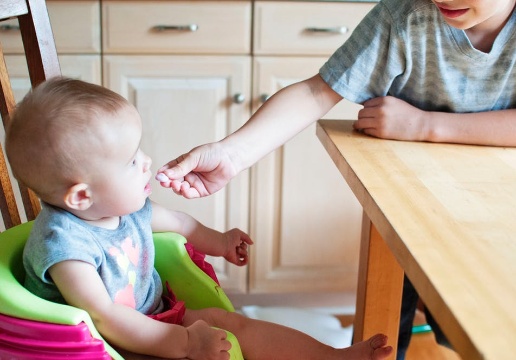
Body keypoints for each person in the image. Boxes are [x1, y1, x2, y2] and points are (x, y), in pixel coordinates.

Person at [156, 0, 516, 358]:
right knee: (393, 326)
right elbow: (317, 92)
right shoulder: (404, 16)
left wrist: (425, 125)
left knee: (475, 327)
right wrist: (232, 154)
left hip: (495, 213)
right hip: (408, 205)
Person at [5, 77, 392, 360]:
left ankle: (330, 357)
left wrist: (221, 241)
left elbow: (181, 223)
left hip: (156, 317)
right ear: (82, 195)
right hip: (107, 346)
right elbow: (103, 318)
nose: (147, 162)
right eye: (130, 162)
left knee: (234, 324)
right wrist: (187, 343)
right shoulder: (67, 249)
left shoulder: (123, 209)